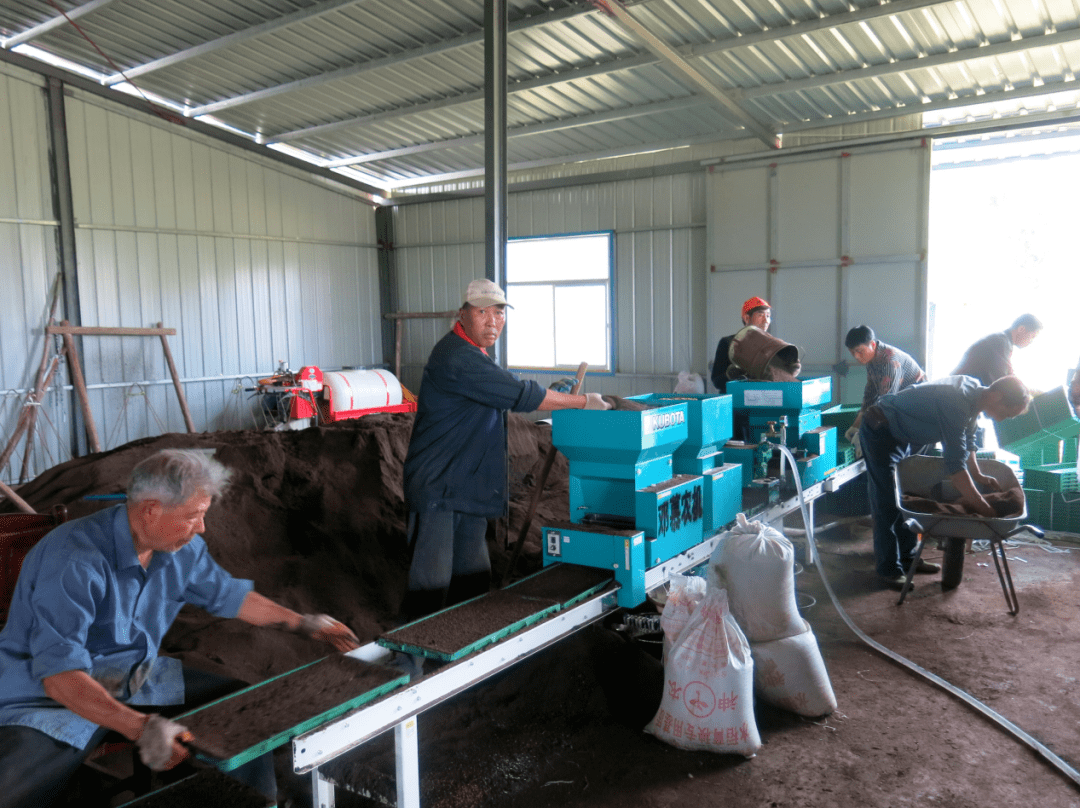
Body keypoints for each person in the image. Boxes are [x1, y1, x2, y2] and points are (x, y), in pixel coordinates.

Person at [0, 449, 360, 808]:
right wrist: (141, 727)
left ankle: (255, 803)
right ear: (151, 509)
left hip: (133, 676)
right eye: (194, 515)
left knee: (238, 708)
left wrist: (300, 622)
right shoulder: (73, 560)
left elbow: (229, 596)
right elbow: (60, 677)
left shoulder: (181, 550)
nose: (201, 527)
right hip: (47, 694)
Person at [400, 278, 612, 620]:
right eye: (482, 312)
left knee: (473, 579)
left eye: (499, 313)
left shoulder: (476, 355)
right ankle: (409, 666)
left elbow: (503, 391)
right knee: (430, 584)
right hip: (439, 486)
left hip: (466, 486)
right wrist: (582, 401)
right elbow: (518, 394)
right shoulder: (456, 357)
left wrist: (555, 392)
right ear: (462, 316)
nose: (493, 321)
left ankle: (464, 650)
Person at [858, 375, 1031, 590]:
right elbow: (956, 469)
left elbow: (967, 440)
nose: (1003, 419)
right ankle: (888, 569)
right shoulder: (957, 401)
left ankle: (909, 558)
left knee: (906, 497)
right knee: (887, 502)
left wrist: (978, 475)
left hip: (904, 435)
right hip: (881, 429)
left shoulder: (975, 397)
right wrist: (986, 512)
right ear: (997, 396)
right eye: (1006, 413)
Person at [843, 325, 926, 448]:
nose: (856, 357)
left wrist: (863, 432)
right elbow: (870, 394)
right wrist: (855, 426)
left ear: (873, 344)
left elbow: (886, 402)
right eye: (852, 353)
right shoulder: (870, 359)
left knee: (907, 456)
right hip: (901, 405)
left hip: (920, 409)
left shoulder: (889, 362)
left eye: (859, 351)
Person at [951, 313, 1043, 386]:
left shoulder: (1002, 341)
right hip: (957, 393)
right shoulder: (1000, 341)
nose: (1031, 341)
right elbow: (1003, 379)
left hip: (959, 390)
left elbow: (1008, 374)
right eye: (1032, 336)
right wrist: (1028, 392)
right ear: (1022, 329)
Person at [711, 296, 771, 394]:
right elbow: (717, 382)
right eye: (761, 315)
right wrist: (731, 374)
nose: (766, 320)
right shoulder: (728, 343)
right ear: (747, 318)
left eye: (768, 316)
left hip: (762, 403)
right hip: (735, 404)